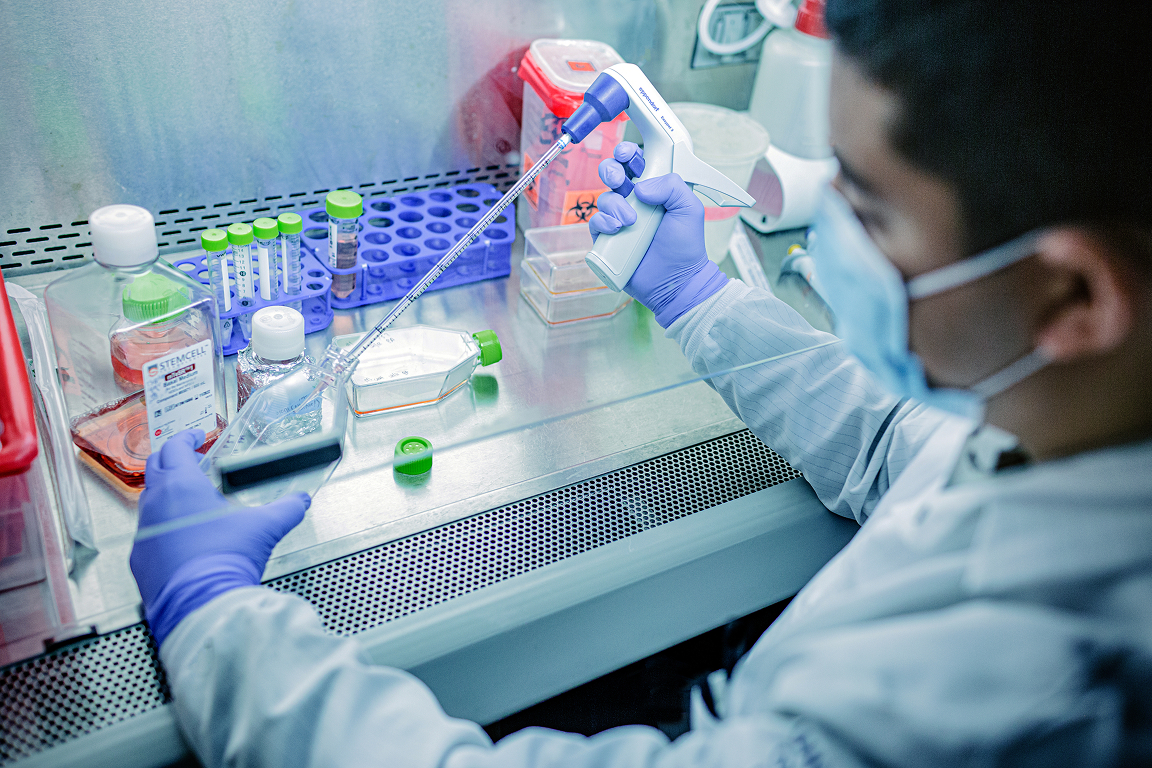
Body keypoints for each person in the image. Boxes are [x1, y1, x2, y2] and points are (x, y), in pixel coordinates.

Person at [130, 0, 1152, 764]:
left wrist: (218, 621)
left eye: (872, 207)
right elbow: (901, 448)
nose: (828, 222)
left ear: (1075, 298)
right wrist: (696, 295)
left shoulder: (1023, 691)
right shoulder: (1080, 415)